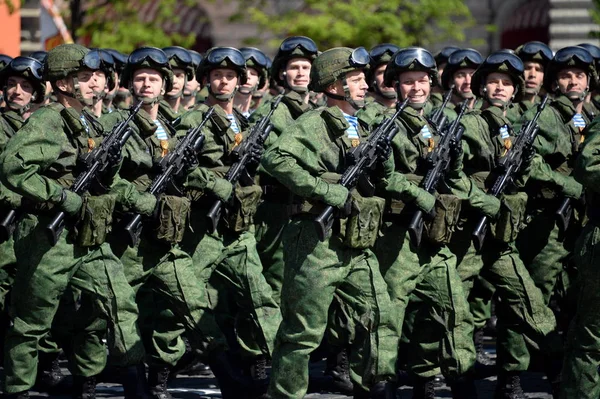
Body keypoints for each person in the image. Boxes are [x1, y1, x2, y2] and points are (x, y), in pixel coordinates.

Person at [100, 46, 250, 399]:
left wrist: (203, 181)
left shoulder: (168, 126)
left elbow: (188, 172)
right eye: (139, 78)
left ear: (164, 83)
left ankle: (228, 379)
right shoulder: (113, 125)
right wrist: (143, 201)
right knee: (115, 314)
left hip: (166, 241)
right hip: (129, 241)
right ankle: (131, 384)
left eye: (153, 78)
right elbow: (107, 180)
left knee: (194, 303)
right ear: (129, 84)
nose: (146, 84)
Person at [0, 43, 145, 399]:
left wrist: (136, 197)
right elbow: (13, 168)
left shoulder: (85, 120)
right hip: (52, 239)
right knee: (32, 323)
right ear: (64, 84)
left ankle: (133, 387)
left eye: (96, 77)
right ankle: (17, 391)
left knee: (120, 304)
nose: (95, 84)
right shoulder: (49, 120)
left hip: (90, 237)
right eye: (84, 78)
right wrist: (61, 196)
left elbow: (104, 180)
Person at [262, 46, 397, 399]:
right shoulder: (314, 122)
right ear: (335, 86)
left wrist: (381, 163)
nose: (365, 85)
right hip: (315, 241)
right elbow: (275, 158)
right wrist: (325, 190)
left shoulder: (364, 122)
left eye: (363, 79)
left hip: (356, 241)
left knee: (380, 315)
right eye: (355, 80)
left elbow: (380, 179)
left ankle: (374, 386)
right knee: (303, 332)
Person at [448, 50, 563, 398]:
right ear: (482, 88)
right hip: (469, 235)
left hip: (502, 237)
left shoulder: (513, 126)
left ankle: (557, 370)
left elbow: (525, 173)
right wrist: (484, 199)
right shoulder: (467, 124)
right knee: (458, 308)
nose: (500, 88)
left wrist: (527, 163)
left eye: (506, 84)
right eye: (493, 82)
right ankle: (461, 379)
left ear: (514, 91)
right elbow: (451, 176)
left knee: (530, 302)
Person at [175, 46, 282, 395]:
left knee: (260, 296)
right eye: (217, 76)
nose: (223, 82)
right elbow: (180, 168)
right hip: (203, 228)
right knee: (193, 305)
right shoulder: (194, 120)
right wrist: (218, 184)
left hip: (239, 229)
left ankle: (274, 369)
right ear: (205, 79)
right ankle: (222, 372)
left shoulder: (242, 120)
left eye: (230, 77)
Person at [373, 47, 476, 398]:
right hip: (398, 233)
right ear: (396, 86)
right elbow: (385, 178)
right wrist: (420, 194)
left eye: (421, 81)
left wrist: (457, 154)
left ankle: (459, 375)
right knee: (390, 313)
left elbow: (457, 178)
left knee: (454, 306)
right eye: (407, 82)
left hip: (435, 235)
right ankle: (382, 380)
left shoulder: (438, 122)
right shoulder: (386, 124)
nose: (416, 88)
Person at [234, 47, 269, 117]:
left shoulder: (258, 117)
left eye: (253, 74)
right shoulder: (219, 113)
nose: (248, 77)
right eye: (243, 73)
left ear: (258, 80)